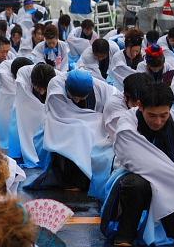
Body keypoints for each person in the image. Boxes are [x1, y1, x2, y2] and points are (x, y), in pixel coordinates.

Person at [101, 83, 174, 246]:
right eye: (152, 115)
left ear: (170, 109)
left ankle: (172, 230)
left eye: (164, 115)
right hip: (135, 176)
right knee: (136, 185)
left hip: (173, 181)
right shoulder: (127, 123)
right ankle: (125, 235)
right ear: (140, 106)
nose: (158, 121)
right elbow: (139, 161)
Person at [27, 69, 115, 197]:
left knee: (88, 132)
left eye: (82, 97)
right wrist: (82, 122)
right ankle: (70, 180)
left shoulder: (99, 86)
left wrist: (88, 121)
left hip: (89, 122)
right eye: (74, 97)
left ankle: (86, 178)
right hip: (61, 123)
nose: (78, 101)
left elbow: (111, 102)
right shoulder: (56, 85)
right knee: (75, 135)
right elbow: (59, 114)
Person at [15, 62, 57, 168]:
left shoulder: (56, 78)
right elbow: (26, 107)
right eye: (39, 88)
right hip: (27, 106)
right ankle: (29, 151)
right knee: (26, 125)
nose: (42, 92)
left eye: (44, 89)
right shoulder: (23, 75)